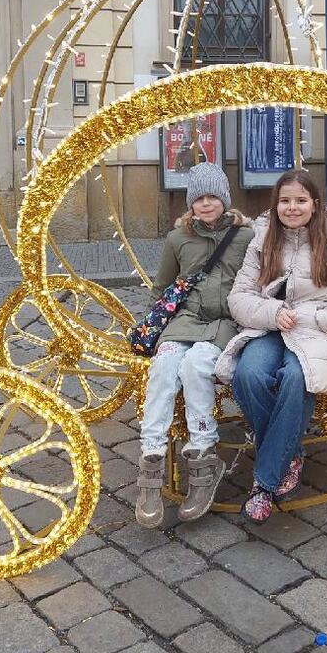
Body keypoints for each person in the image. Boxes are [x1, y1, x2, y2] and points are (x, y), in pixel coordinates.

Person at [215, 168, 327, 523]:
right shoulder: (262, 240)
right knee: (249, 375)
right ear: (276, 205)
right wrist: (272, 312)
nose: (292, 207)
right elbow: (239, 297)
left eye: (300, 200)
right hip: (269, 327)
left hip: (316, 331)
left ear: (314, 204)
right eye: (285, 201)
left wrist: (319, 317)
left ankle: (264, 483)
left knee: (296, 379)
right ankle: (290, 452)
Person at [135, 162, 251, 528]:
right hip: (184, 321)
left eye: (213, 197)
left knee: (196, 365)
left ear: (225, 199)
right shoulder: (178, 238)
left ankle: (203, 453)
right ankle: (151, 455)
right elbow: (162, 286)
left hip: (223, 323)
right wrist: (152, 325)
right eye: (199, 198)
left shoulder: (245, 236)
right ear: (190, 203)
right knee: (164, 365)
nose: (206, 204)